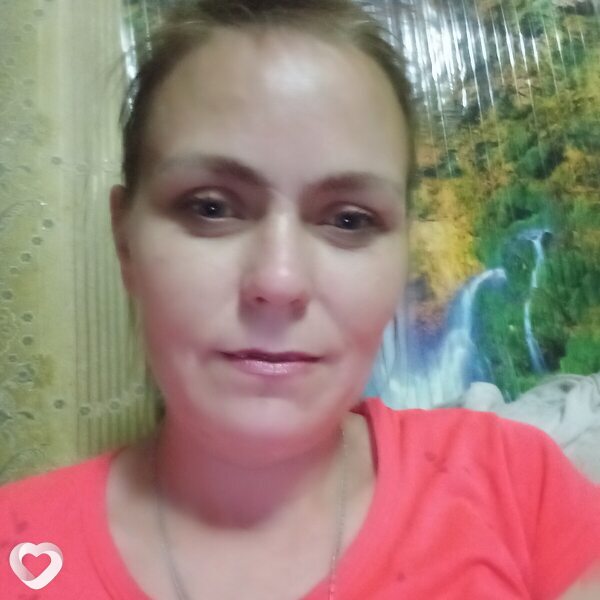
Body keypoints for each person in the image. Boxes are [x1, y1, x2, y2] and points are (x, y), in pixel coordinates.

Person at [1, 1, 599, 598]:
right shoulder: (18, 553)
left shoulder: (516, 488)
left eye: (348, 219)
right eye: (210, 207)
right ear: (124, 239)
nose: (280, 280)